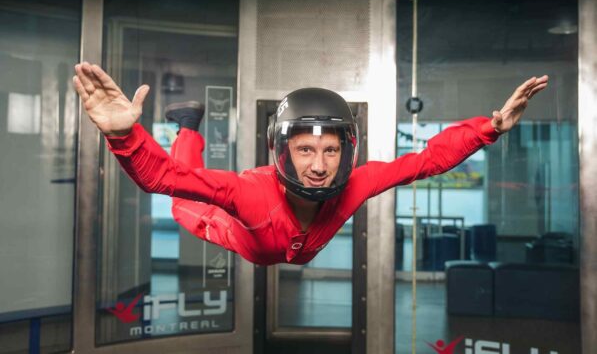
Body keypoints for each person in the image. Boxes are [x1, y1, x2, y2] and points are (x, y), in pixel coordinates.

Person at [73, 62, 548, 265]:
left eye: (330, 150)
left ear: (346, 151)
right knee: (180, 204)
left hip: (287, 249)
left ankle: (190, 125)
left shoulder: (357, 183)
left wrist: (491, 127)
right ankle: (188, 127)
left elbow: (426, 160)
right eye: (304, 150)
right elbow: (162, 177)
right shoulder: (248, 192)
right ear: (282, 150)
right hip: (238, 237)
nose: (319, 165)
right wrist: (122, 133)